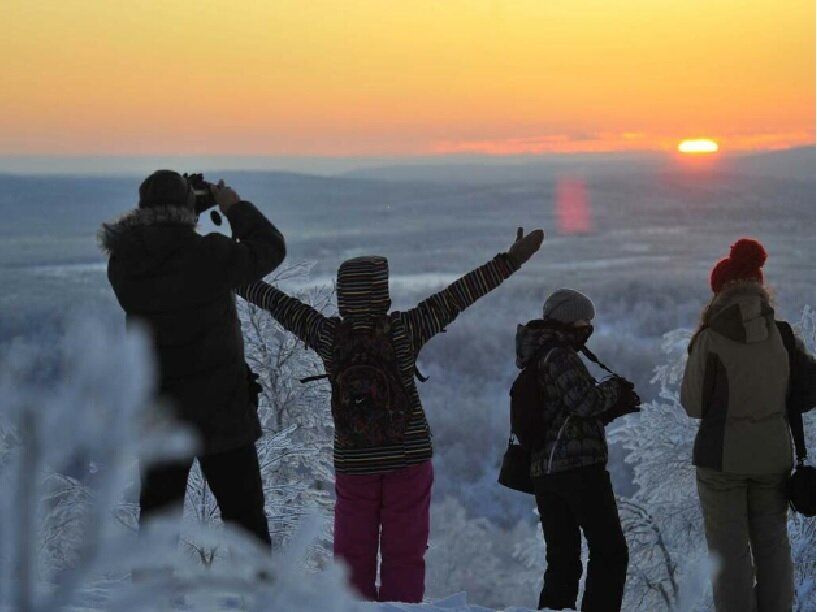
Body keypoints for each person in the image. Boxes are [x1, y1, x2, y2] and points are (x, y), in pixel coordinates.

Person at [237, 227, 544, 602]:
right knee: (405, 555)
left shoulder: (329, 337)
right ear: (382, 295)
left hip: (354, 462)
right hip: (408, 457)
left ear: (343, 296)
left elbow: (276, 302)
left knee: (351, 559)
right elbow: (462, 293)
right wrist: (511, 260)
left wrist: (228, 272)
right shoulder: (405, 330)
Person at [100, 170, 286, 547]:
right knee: (246, 524)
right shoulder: (210, 256)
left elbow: (161, 242)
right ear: (186, 210)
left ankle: (151, 604)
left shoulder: (124, 264)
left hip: (160, 414)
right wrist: (233, 207)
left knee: (156, 528)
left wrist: (188, 206)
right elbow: (270, 246)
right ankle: (265, 602)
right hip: (223, 412)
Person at [681, 238, 815, 612]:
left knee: (729, 553)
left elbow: (692, 405)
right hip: (773, 456)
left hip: (721, 460)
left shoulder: (709, 339)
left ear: (719, 292)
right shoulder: (783, 335)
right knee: (773, 546)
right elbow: (808, 391)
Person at [517, 288, 639, 611]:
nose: (589, 327)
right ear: (570, 320)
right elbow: (583, 401)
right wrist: (615, 390)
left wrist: (608, 407)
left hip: (545, 472)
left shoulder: (538, 354)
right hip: (578, 470)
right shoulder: (559, 354)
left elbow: (564, 413)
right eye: (586, 320)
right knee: (609, 551)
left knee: (563, 559)